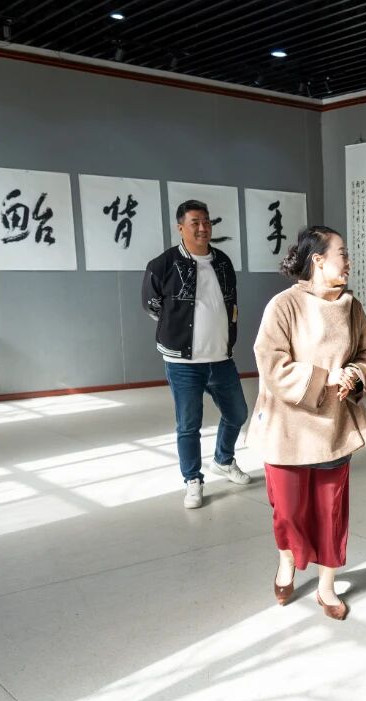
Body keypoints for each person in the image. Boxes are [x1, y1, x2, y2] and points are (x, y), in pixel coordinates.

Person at [249, 225, 366, 620]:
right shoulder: (283, 305)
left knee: (330, 512)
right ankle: (287, 559)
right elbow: (271, 362)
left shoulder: (352, 307)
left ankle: (326, 586)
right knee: (287, 511)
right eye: (342, 253)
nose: (348, 261)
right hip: (287, 428)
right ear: (318, 260)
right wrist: (325, 378)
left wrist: (355, 375)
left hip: (333, 426)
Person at [143, 199, 251, 510]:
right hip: (183, 362)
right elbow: (151, 305)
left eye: (206, 222)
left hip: (220, 357)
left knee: (237, 413)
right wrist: (177, 329)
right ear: (181, 228)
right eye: (195, 223)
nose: (203, 228)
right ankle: (192, 479)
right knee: (189, 425)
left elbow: (230, 304)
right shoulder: (163, 264)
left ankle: (223, 459)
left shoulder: (222, 262)